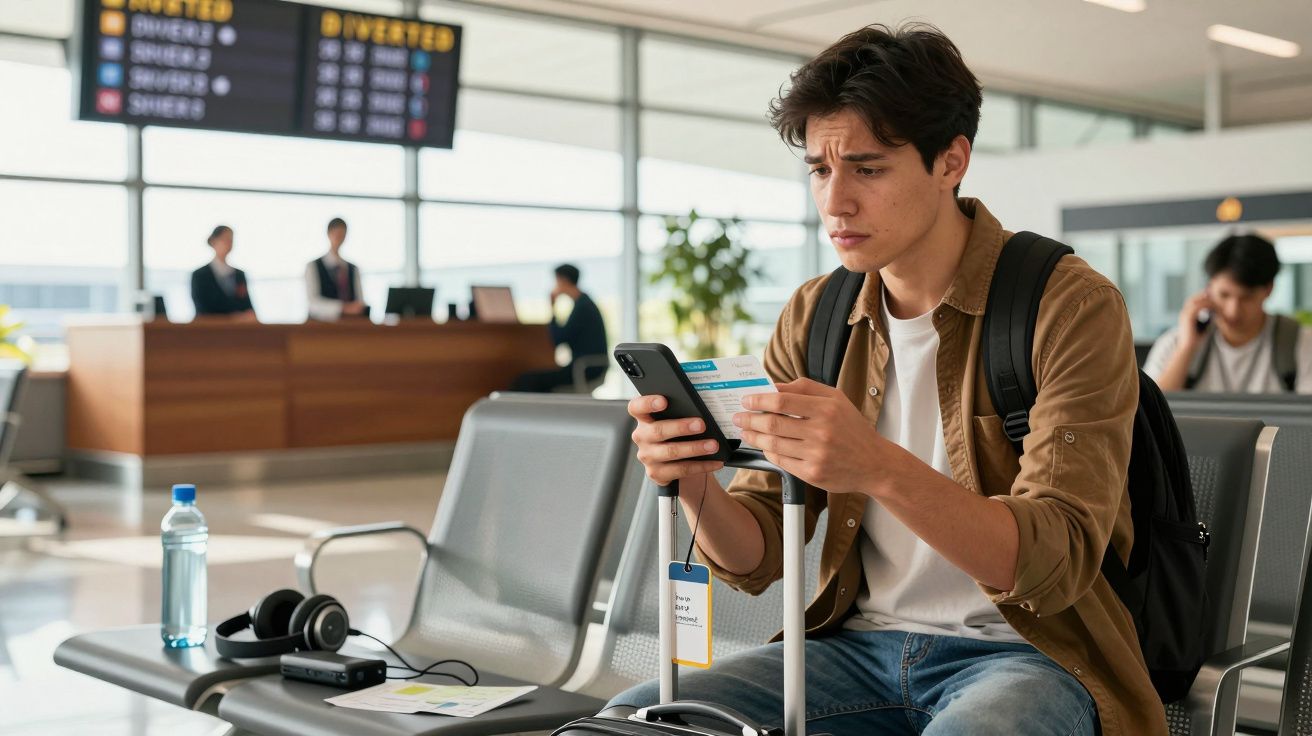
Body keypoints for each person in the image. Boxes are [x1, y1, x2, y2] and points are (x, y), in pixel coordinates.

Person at [611, 24, 1161, 736]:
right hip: (857, 650)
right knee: (635, 721)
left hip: (1031, 656)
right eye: (819, 170)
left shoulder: (1068, 306)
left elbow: (1051, 562)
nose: (834, 201)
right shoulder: (818, 315)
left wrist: (875, 465)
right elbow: (758, 555)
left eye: (867, 170)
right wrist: (692, 482)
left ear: (951, 161)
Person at [1144, 233, 1311, 393]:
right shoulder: (1174, 344)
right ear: (1209, 288)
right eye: (1224, 295)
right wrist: (1186, 348)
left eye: (1246, 298)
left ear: (1269, 289)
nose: (1233, 311)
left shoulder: (1302, 343)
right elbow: (1150, 410)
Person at [510, 264, 608, 393]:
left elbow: (558, 339)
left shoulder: (582, 308)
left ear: (563, 280)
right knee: (532, 380)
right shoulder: (585, 303)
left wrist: (552, 308)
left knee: (527, 381)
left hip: (585, 368)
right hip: (588, 366)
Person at [306, 217, 368, 321]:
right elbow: (313, 304)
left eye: (342, 235)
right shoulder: (313, 266)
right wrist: (343, 308)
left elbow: (359, 301)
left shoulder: (353, 269)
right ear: (328, 234)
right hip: (320, 325)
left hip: (349, 324)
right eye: (337, 234)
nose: (339, 239)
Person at [190, 225, 257, 321]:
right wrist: (234, 318)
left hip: (238, 329)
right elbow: (202, 311)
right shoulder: (199, 275)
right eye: (225, 239)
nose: (229, 243)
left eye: (231, 240)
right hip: (210, 329)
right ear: (213, 241)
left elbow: (248, 308)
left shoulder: (239, 275)